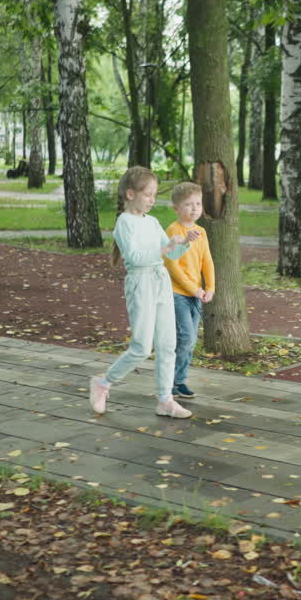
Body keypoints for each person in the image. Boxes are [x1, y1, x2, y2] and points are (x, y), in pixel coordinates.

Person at [89, 166, 199, 419]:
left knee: (168, 344)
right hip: (141, 283)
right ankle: (104, 383)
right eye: (148, 194)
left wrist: (183, 244)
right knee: (141, 347)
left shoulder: (153, 222)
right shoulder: (124, 222)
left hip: (160, 281)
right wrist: (166, 248)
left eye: (154, 194)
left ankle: (165, 400)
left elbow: (169, 253)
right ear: (130, 194)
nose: (152, 199)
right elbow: (136, 258)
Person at [163, 182, 214, 400]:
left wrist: (210, 288)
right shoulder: (174, 231)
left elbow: (207, 261)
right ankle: (171, 380)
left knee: (190, 339)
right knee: (186, 337)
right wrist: (193, 289)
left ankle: (180, 381)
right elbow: (172, 265)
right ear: (176, 208)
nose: (194, 209)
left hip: (196, 295)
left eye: (198, 204)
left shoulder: (201, 231)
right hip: (178, 294)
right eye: (188, 205)